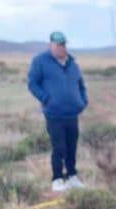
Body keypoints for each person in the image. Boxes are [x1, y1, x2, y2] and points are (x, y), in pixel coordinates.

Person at [26, 31, 88, 192]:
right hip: (54, 113)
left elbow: (80, 85)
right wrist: (46, 99)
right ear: (50, 45)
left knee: (71, 146)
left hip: (72, 113)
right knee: (59, 147)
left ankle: (72, 176)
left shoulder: (72, 63)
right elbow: (32, 83)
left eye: (63, 44)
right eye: (58, 45)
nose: (61, 48)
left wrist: (82, 101)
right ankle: (57, 179)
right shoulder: (40, 61)